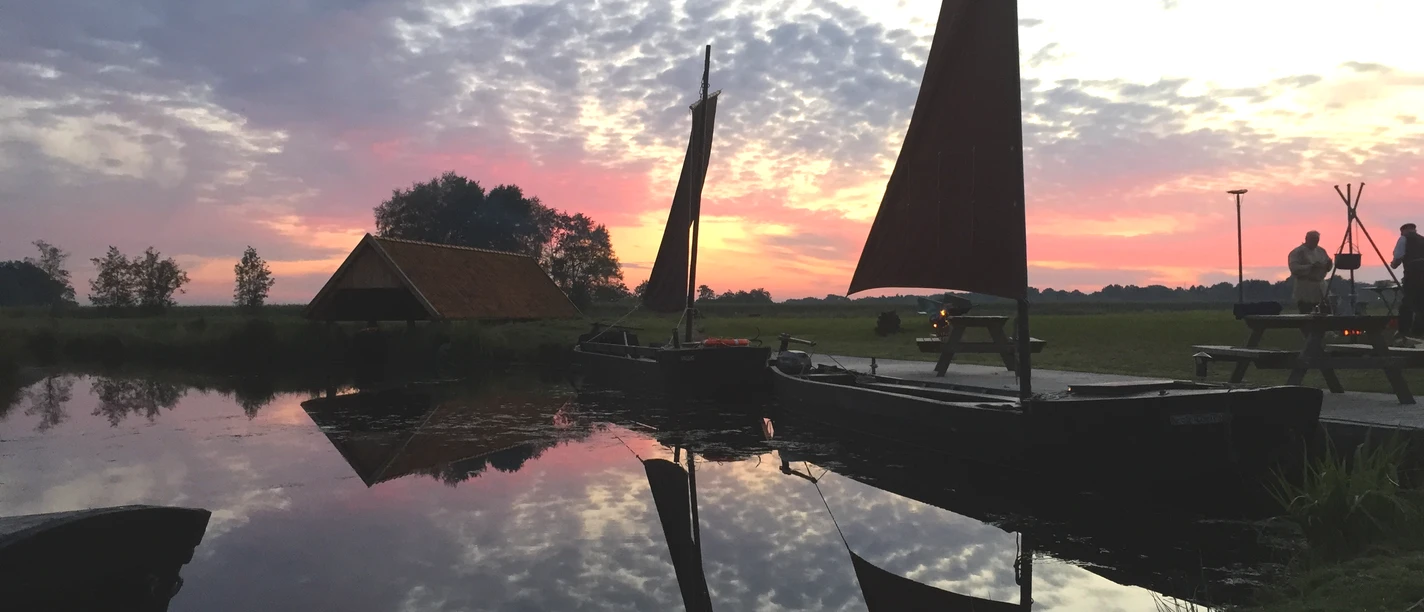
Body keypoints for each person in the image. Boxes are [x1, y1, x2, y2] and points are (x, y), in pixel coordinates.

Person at [1391, 223, 1424, 339]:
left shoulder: (1404, 239)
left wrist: (1393, 264)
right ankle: (1418, 332)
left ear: (1403, 231)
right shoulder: (1422, 240)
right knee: (1421, 304)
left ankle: (1403, 331)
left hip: (1413, 275)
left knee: (1408, 303)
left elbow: (1398, 257)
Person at [1288, 230, 1333, 314]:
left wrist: (1329, 264)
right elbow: (1294, 268)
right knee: (1306, 314)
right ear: (1306, 239)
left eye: (1316, 240)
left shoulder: (1321, 251)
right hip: (1305, 287)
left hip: (1321, 287)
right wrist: (1311, 266)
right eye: (1313, 240)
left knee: (1326, 313)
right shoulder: (1297, 252)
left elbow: (1328, 267)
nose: (1315, 243)